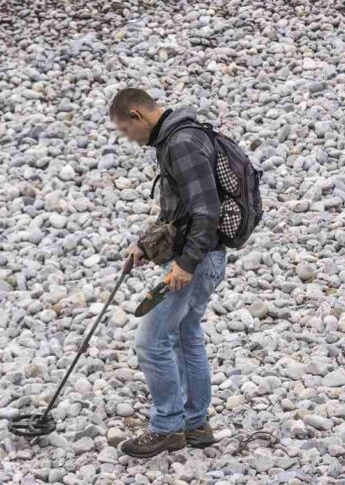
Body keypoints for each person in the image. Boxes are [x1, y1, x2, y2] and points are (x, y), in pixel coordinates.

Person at [109, 88, 226, 458]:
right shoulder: (178, 137)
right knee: (184, 333)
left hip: (197, 260)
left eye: (126, 131)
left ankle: (166, 427)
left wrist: (184, 264)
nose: (130, 139)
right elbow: (178, 211)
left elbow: (208, 212)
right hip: (205, 256)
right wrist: (146, 245)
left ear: (137, 115)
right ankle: (195, 425)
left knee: (151, 340)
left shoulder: (181, 144)